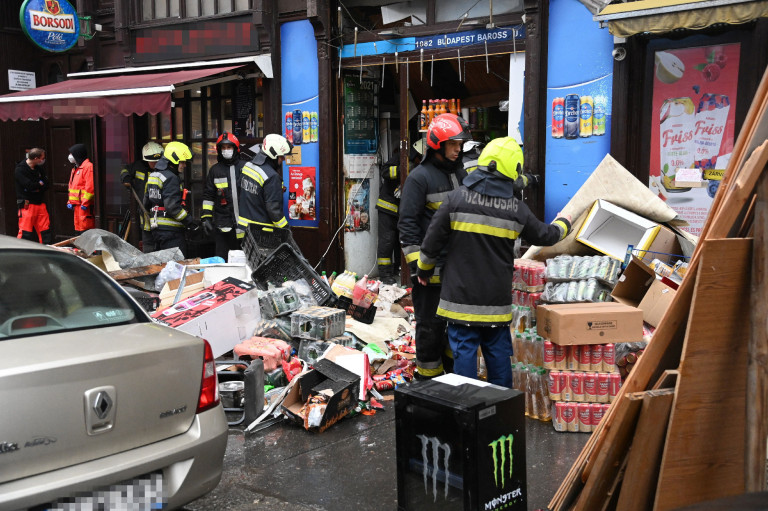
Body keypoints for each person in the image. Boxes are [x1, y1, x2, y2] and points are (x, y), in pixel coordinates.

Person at [417, 137, 572, 387]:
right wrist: (564, 221)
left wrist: (423, 270)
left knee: (464, 356)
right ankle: (501, 412)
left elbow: (431, 242)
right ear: (513, 170)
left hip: (459, 302)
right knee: (498, 356)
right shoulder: (515, 209)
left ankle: (468, 414)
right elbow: (547, 235)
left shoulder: (456, 199)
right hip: (495, 304)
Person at [398, 113, 472, 380]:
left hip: (457, 272)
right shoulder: (419, 178)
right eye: (452, 144)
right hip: (429, 275)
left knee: (458, 326)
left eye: (460, 143)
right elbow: (407, 225)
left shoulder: (461, 173)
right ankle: (429, 379)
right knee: (430, 327)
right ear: (437, 145)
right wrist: (419, 269)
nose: (458, 149)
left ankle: (452, 377)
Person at [375, 139, 424, 285]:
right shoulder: (401, 157)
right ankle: (384, 274)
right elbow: (384, 171)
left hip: (402, 210)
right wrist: (401, 170)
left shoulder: (418, 166)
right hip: (388, 207)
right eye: (419, 156)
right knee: (387, 241)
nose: (420, 160)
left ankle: (398, 269)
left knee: (399, 241)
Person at [144, 141, 199, 255]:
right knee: (175, 267)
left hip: (156, 231)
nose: (184, 165)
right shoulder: (171, 178)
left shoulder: (154, 175)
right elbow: (172, 207)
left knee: (162, 267)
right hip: (171, 233)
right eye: (182, 162)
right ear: (174, 160)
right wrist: (190, 222)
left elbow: (146, 203)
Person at [201, 132, 246, 261]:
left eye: (229, 147)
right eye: (223, 148)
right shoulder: (215, 171)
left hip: (245, 226)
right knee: (222, 261)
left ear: (236, 149)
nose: (226, 150)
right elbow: (208, 196)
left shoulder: (246, 168)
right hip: (224, 226)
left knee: (246, 263)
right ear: (219, 150)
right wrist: (206, 218)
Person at [237, 133, 292, 237]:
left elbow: (242, 192)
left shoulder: (247, 166)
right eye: (281, 156)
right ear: (273, 155)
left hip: (243, 232)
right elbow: (273, 210)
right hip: (262, 236)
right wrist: (286, 229)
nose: (283, 159)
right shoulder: (272, 176)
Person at [121, 141, 164, 252]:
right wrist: (126, 177)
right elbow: (125, 169)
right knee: (148, 239)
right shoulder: (138, 166)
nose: (155, 164)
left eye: (157, 161)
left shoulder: (164, 171)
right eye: (152, 162)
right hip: (144, 211)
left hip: (160, 212)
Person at [15, 147, 52, 244]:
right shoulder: (20, 170)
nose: (43, 160)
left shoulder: (39, 169)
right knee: (25, 233)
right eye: (42, 158)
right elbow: (29, 186)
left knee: (45, 232)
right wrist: (39, 184)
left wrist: (36, 186)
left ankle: (46, 253)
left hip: (40, 204)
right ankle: (21, 255)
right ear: (36, 158)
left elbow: (46, 184)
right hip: (27, 205)